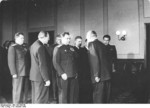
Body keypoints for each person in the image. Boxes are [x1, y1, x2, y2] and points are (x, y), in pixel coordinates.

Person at [86, 30, 111, 103]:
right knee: (105, 98)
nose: (87, 38)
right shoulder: (102, 44)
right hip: (106, 75)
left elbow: (95, 60)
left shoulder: (92, 44)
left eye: (87, 37)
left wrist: (96, 75)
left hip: (99, 76)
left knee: (98, 98)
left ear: (90, 36)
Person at [53, 32, 78, 103]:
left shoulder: (71, 48)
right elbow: (56, 62)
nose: (69, 40)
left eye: (69, 38)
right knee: (63, 95)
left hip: (72, 75)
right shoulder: (58, 48)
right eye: (67, 38)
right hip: (64, 75)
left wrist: (75, 72)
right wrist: (62, 73)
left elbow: (75, 60)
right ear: (62, 38)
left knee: (71, 95)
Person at [30, 31, 51, 103]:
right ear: (44, 37)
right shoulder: (40, 47)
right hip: (41, 77)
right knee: (41, 99)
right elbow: (42, 65)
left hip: (34, 76)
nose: (48, 39)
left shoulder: (33, 45)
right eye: (48, 38)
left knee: (35, 98)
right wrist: (46, 79)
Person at [7, 32, 28, 103]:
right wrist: (13, 73)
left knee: (21, 92)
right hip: (18, 72)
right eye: (21, 38)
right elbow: (11, 62)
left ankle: (20, 104)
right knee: (17, 91)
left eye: (23, 38)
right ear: (16, 38)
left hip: (23, 72)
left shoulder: (22, 47)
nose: (23, 39)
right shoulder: (12, 47)